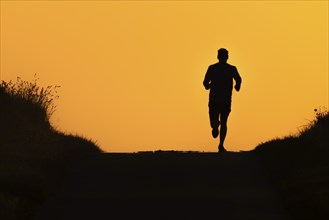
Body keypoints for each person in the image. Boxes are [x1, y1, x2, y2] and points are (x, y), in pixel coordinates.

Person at [203, 48, 242, 152]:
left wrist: (208, 86)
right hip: (224, 100)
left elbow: (205, 82)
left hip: (215, 100)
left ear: (218, 57)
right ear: (227, 57)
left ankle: (218, 136)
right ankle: (220, 143)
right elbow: (238, 79)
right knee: (224, 122)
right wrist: (237, 86)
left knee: (218, 121)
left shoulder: (212, 68)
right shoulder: (231, 69)